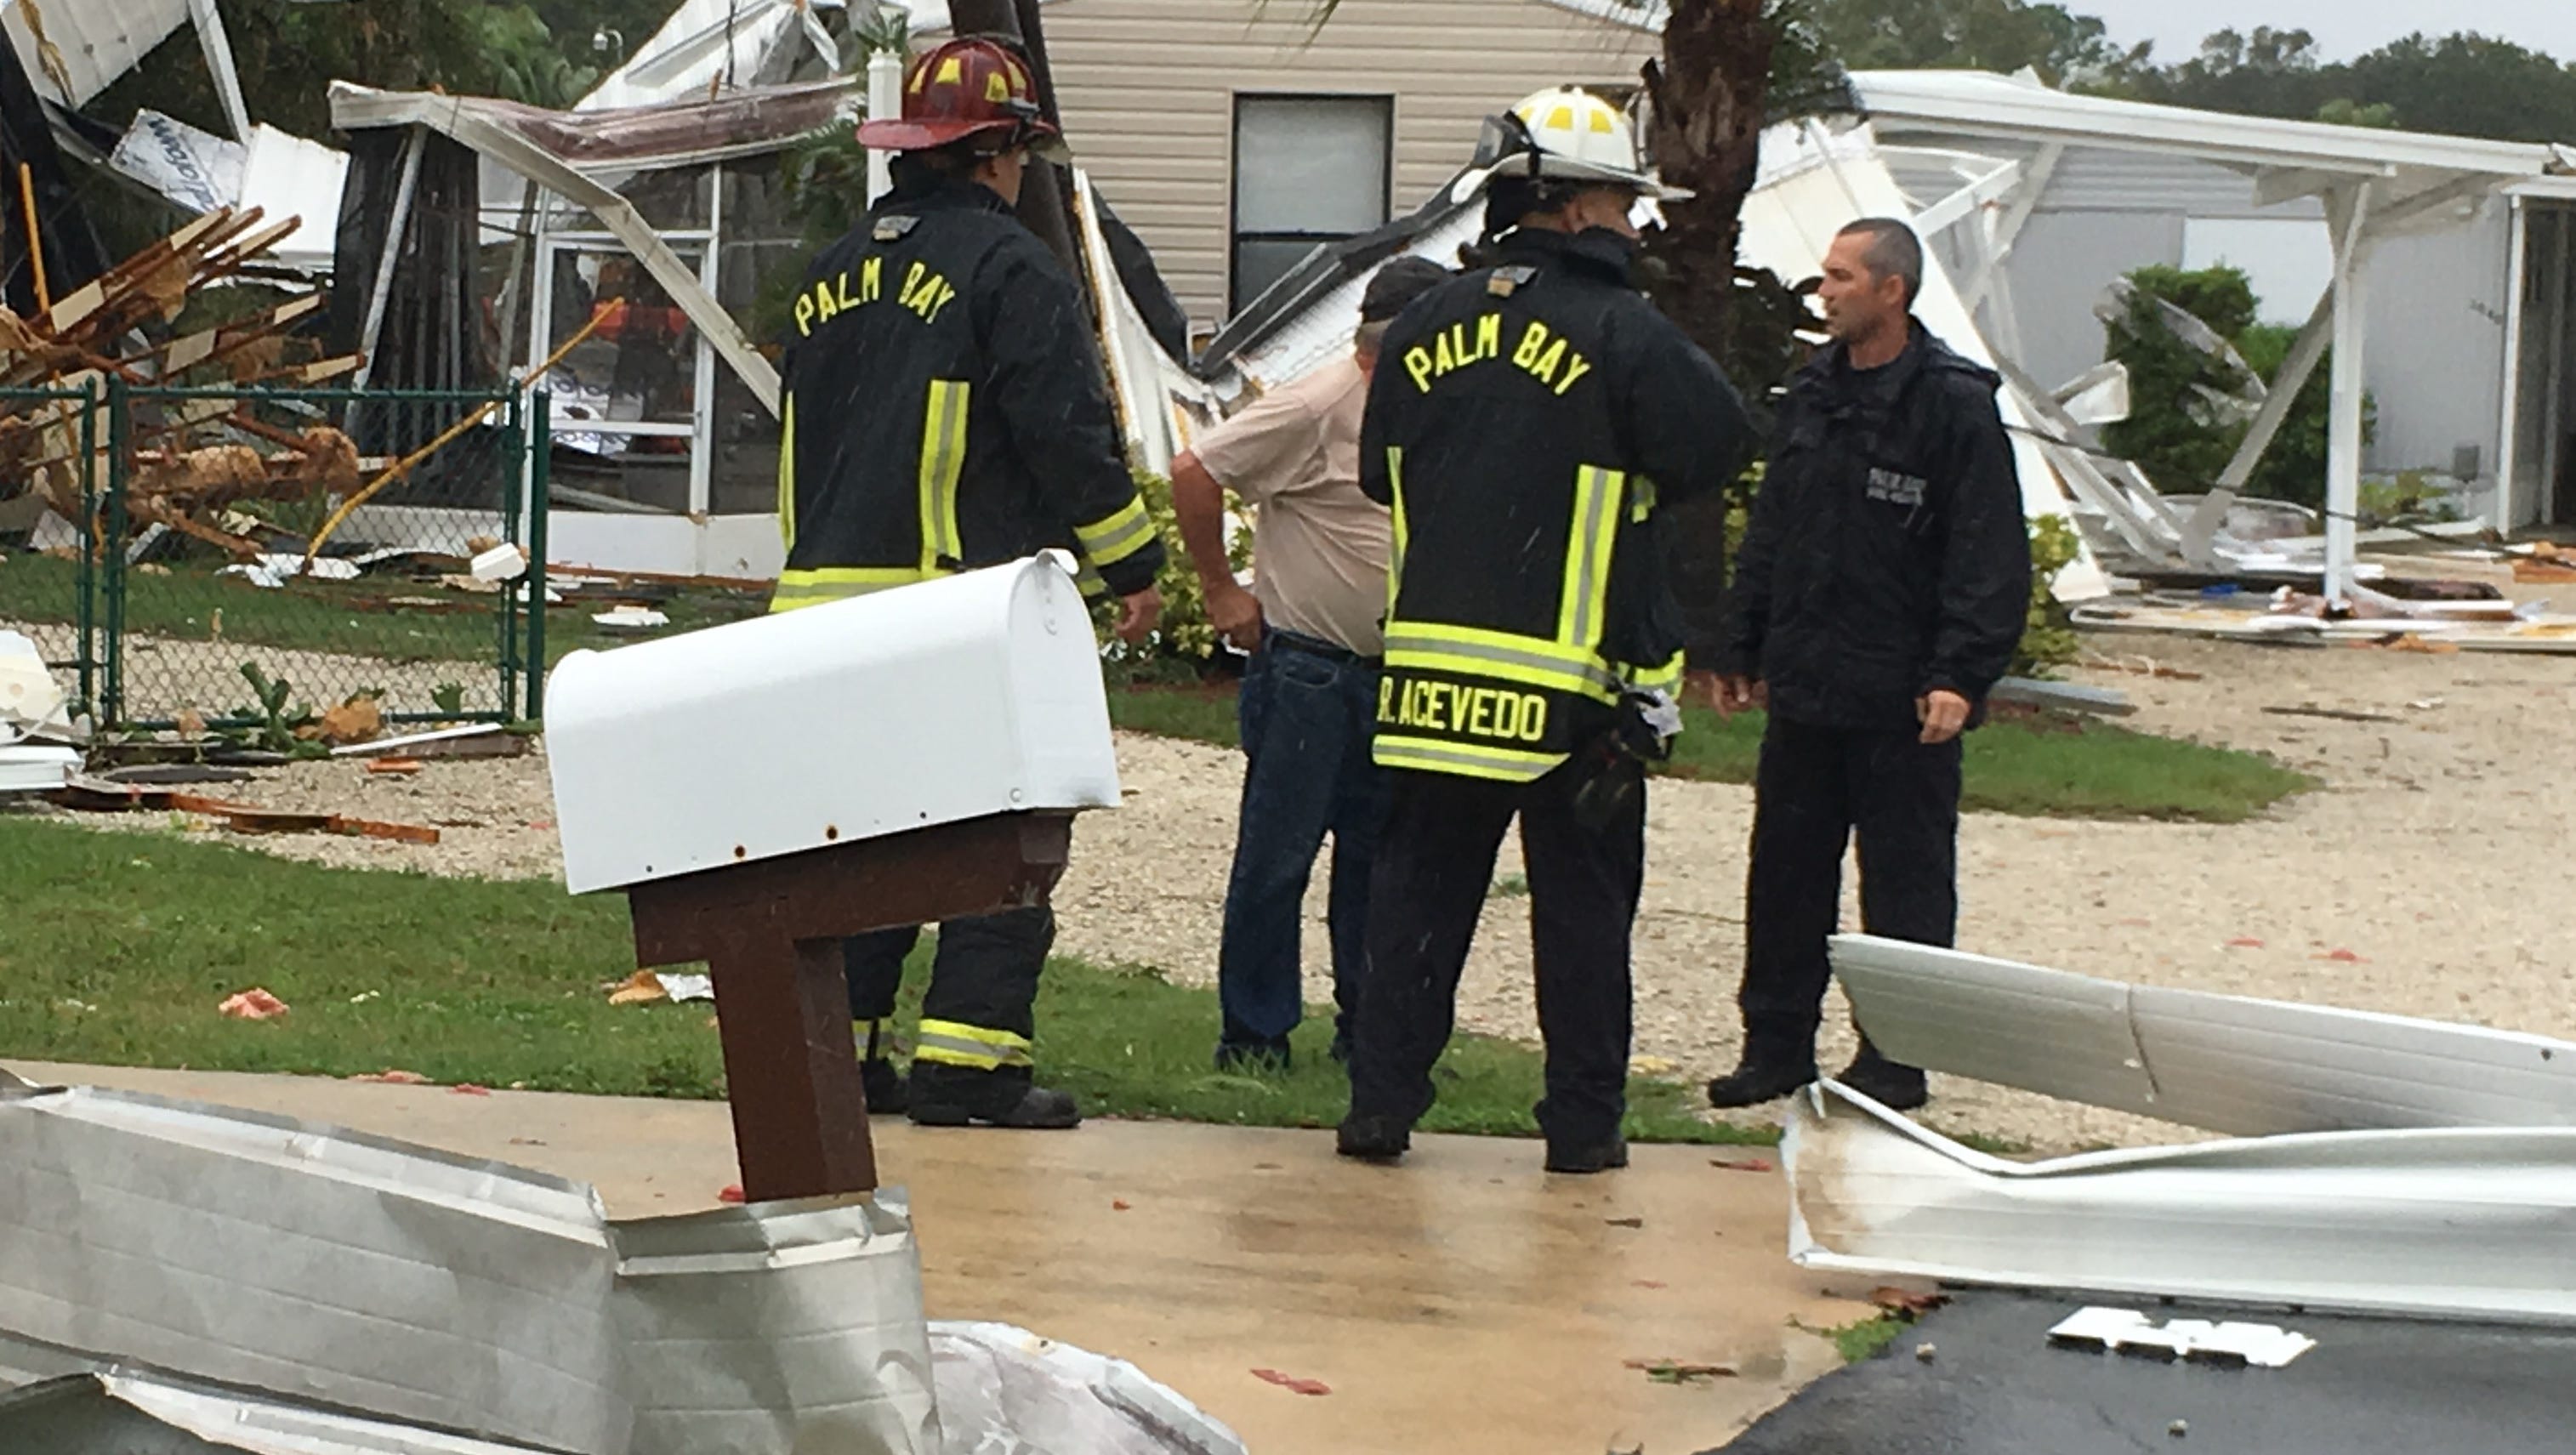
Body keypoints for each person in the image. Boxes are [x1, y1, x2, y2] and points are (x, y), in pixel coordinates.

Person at [1338, 87, 1754, 1173]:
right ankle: (1580, 1127)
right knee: (1579, 916)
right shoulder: (1620, 331)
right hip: (1574, 691)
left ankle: (1379, 1108)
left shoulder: (1425, 322)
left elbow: (1380, 475)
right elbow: (1717, 442)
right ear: (1573, 207)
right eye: (1622, 200)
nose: (1632, 222)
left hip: (1430, 683)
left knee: (1415, 909)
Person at [772, 34, 1168, 1129]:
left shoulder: (828, 275)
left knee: (862, 850)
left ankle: (844, 1064)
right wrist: (1133, 563)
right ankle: (969, 1067)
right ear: (998, 151)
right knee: (1006, 838)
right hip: (954, 616)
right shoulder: (1008, 271)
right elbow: (1065, 435)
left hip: (817, 623)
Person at [1703, 218, 2031, 1114]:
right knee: (1783, 874)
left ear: (1891, 289)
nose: (1825, 292)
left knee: (1905, 883)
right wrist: (1741, 641)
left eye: (1842, 278)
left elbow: (1986, 554)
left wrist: (1959, 673)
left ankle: (1895, 1055)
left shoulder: (1951, 403)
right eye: (1824, 277)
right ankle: (1774, 1045)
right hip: (1807, 682)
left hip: (1900, 694)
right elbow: (1774, 523)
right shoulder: (1812, 392)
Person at [1171, 256, 1453, 1072]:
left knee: (1379, 866)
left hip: (1391, 673)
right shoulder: (1320, 401)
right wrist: (1222, 591)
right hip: (1307, 673)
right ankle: (1254, 1034)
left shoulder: (1426, 410)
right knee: (1276, 860)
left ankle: (1368, 1031)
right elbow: (1196, 470)